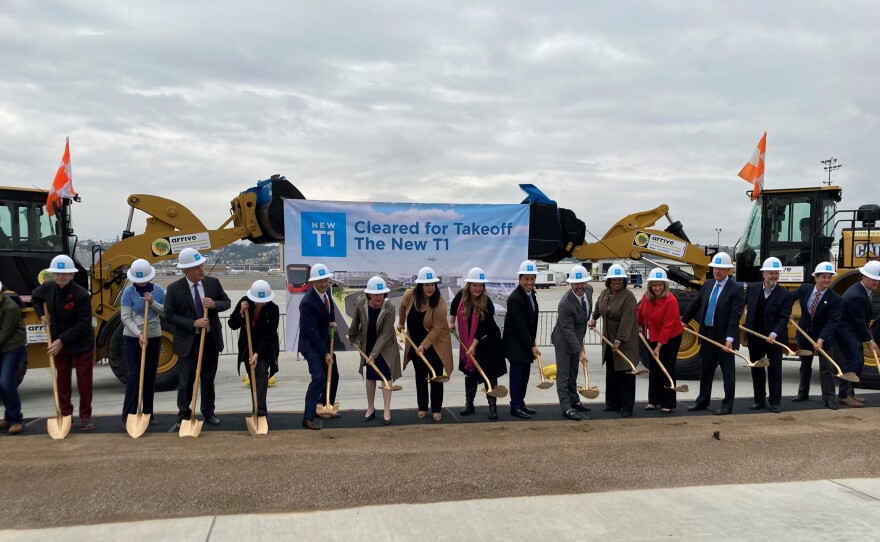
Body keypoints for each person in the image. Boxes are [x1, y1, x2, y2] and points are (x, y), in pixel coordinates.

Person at [164, 248, 231, 428]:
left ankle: (208, 412)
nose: (201, 269)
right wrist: (193, 323)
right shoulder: (174, 289)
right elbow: (169, 315)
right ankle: (184, 415)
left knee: (208, 379)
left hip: (210, 340)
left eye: (201, 265)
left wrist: (214, 304)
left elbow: (227, 302)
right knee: (186, 381)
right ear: (186, 270)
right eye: (196, 267)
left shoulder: (213, 283)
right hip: (188, 342)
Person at [32, 254, 95, 430]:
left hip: (80, 342)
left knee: (84, 382)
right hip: (58, 340)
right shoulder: (47, 287)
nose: (61, 276)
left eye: (65, 273)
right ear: (52, 274)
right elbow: (35, 298)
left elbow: (83, 324)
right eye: (58, 273)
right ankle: (66, 414)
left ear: (72, 275)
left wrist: (62, 340)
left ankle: (85, 416)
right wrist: (42, 315)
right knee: (62, 379)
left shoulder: (81, 294)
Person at [681, 252, 745, 415]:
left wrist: (729, 338)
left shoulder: (736, 289)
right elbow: (695, 304)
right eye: (715, 268)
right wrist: (684, 321)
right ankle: (702, 401)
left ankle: (727, 405)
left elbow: (734, 316)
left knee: (727, 373)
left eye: (721, 269)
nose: (717, 271)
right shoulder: (708, 285)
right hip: (707, 334)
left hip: (724, 338)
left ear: (728, 271)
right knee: (706, 371)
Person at [449, 267, 506, 421]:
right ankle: (469, 404)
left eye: (480, 285)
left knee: (489, 374)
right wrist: (452, 322)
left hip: (488, 342)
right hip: (468, 340)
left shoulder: (486, 302)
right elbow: (453, 308)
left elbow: (483, 327)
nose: (478, 288)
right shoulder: (462, 296)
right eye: (475, 285)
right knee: (470, 372)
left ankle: (492, 406)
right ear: (469, 285)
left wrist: (473, 346)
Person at [397, 266, 453, 421]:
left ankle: (436, 409)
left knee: (435, 376)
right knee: (420, 376)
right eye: (427, 284)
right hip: (415, 343)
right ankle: (422, 407)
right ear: (420, 285)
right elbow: (402, 308)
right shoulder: (410, 295)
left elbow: (436, 328)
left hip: (435, 345)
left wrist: (424, 345)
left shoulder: (439, 302)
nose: (430, 288)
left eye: (432, 284)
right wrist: (401, 323)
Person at [743, 257, 794, 413]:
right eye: (771, 273)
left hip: (774, 339)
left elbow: (783, 318)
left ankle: (775, 402)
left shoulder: (785, 294)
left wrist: (774, 333)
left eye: (776, 273)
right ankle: (759, 400)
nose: (774, 276)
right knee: (757, 368)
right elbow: (740, 305)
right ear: (763, 274)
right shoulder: (752, 288)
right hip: (755, 336)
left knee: (774, 370)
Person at [349, 276, 402, 425]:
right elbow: (356, 321)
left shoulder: (389, 308)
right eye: (376, 294)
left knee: (386, 375)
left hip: (386, 348)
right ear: (369, 294)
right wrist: (352, 336)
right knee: (371, 376)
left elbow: (385, 335)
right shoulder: (361, 304)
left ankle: (386, 410)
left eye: (381, 294)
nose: (379, 297)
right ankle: (371, 408)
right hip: (368, 344)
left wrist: (373, 355)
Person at [119, 259, 165, 427]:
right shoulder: (128, 292)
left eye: (143, 278)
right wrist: (138, 333)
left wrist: (153, 303)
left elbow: (165, 312)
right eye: (137, 279)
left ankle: (148, 413)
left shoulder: (159, 291)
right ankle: (129, 415)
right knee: (134, 375)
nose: (139, 282)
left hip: (153, 336)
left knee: (150, 375)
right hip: (132, 337)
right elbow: (125, 317)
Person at [590, 264, 639, 417]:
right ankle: (612, 403)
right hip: (608, 340)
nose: (616, 282)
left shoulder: (628, 296)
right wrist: (593, 319)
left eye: (620, 280)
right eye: (613, 280)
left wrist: (620, 339)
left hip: (625, 342)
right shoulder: (605, 293)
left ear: (624, 281)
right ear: (609, 281)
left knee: (625, 374)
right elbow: (599, 307)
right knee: (611, 373)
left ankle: (627, 407)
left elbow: (627, 319)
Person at [793, 262, 842, 409]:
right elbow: (787, 298)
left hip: (825, 337)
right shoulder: (804, 289)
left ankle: (829, 398)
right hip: (804, 333)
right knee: (805, 364)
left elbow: (833, 321)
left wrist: (821, 338)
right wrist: (785, 313)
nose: (827, 280)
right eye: (824, 277)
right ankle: (803, 393)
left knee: (826, 367)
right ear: (816, 278)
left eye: (829, 277)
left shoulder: (835, 299)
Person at [228, 280, 279, 420]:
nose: (260, 303)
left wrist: (257, 354)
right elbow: (232, 324)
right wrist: (241, 312)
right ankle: (256, 407)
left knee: (261, 371)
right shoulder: (245, 302)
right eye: (257, 301)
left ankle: (261, 411)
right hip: (247, 347)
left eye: (263, 301)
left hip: (265, 348)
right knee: (253, 376)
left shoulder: (273, 309)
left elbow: (269, 334)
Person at [636, 268, 683, 414]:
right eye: (654, 285)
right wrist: (637, 325)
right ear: (650, 286)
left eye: (660, 285)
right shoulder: (646, 297)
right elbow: (640, 312)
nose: (657, 288)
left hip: (670, 338)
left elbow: (667, 326)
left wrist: (659, 346)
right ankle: (653, 401)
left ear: (665, 285)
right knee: (654, 368)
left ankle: (667, 402)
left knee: (666, 367)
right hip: (651, 335)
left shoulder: (671, 300)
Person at [550, 265, 593, 421]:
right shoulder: (565, 304)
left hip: (577, 337)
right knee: (563, 374)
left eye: (582, 283)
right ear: (571, 284)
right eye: (576, 283)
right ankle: (566, 408)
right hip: (563, 340)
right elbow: (568, 330)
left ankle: (575, 401)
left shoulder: (589, 291)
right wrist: (580, 351)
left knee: (573, 372)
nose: (580, 286)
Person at [835, 260, 880, 407]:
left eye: (877, 280)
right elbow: (859, 322)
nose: (876, 283)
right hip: (845, 331)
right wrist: (869, 340)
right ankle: (844, 395)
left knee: (855, 361)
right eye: (873, 280)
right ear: (864, 277)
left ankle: (850, 393)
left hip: (852, 330)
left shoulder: (864, 291)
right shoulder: (857, 296)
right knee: (855, 361)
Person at [299, 263, 338, 430]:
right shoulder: (307, 302)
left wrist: (332, 320)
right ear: (313, 282)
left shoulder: (326, 292)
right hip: (310, 345)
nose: (324, 284)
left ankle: (324, 405)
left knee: (334, 375)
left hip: (323, 342)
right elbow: (312, 331)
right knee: (319, 377)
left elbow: (330, 309)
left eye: (326, 281)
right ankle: (307, 417)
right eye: (320, 281)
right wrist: (325, 353)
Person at [503, 260, 541, 419]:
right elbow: (520, 326)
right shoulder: (514, 298)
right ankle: (515, 406)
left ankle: (521, 402)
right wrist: (532, 345)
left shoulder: (531, 294)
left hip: (526, 343)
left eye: (532, 279)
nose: (529, 282)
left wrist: (532, 342)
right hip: (517, 345)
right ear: (519, 279)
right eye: (526, 279)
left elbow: (531, 321)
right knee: (517, 375)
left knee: (524, 375)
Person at [0, 280, 26, 435]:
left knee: (6, 382)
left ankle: (17, 420)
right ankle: (9, 417)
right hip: (2, 346)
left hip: (13, 346)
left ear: (2, 292)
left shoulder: (10, 307)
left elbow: (4, 333)